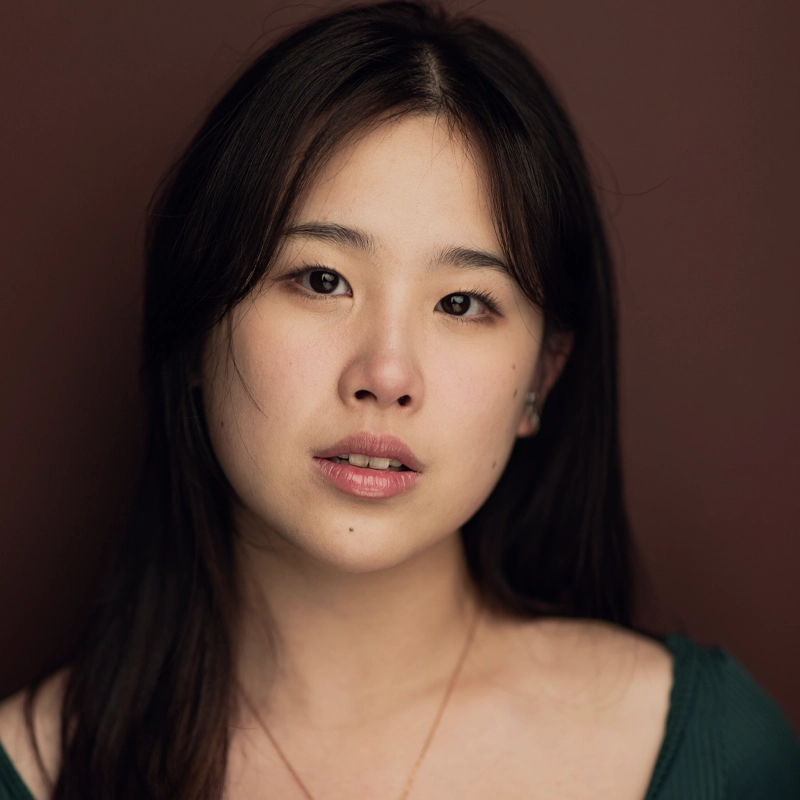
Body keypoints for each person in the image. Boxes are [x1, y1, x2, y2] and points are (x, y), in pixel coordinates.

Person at [1, 1, 799, 798]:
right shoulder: (29, 770)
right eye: (321, 280)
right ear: (199, 322)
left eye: (462, 303)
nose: (386, 374)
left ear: (542, 379)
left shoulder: (711, 751)